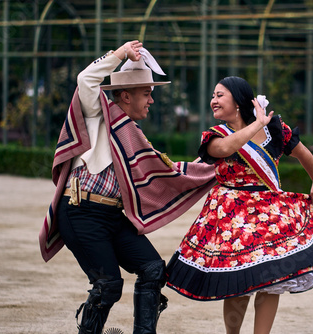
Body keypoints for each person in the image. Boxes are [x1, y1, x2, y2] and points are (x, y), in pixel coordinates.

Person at [38, 41, 215, 334]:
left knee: (153, 269)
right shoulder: (98, 112)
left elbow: (167, 171)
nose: (151, 100)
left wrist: (215, 163)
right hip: (81, 213)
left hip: (111, 217)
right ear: (124, 96)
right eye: (146, 93)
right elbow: (86, 79)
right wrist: (120, 53)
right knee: (108, 286)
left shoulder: (133, 135)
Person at [166, 76, 313, 334]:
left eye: (220, 95)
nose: (213, 100)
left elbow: (303, 153)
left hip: (270, 217)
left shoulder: (275, 129)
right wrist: (256, 123)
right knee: (238, 282)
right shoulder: (214, 136)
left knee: (271, 280)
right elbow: (225, 148)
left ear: (239, 100)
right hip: (233, 219)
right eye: (213, 95)